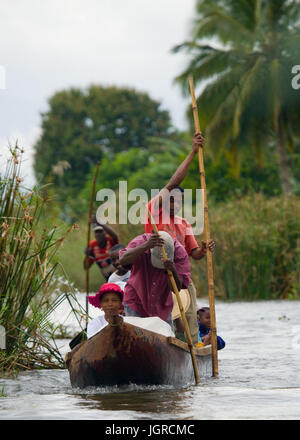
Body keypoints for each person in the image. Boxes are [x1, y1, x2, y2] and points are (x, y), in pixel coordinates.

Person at [145, 132, 215, 345]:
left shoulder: (184, 223)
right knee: (164, 320)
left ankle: (193, 346)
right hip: (159, 275)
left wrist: (204, 250)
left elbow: (194, 254)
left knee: (189, 320)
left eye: (179, 201)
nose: (175, 204)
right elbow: (173, 181)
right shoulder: (154, 212)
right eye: (172, 199)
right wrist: (193, 152)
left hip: (182, 278)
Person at [118, 231, 191, 329]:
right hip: (135, 301)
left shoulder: (180, 253)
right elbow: (122, 260)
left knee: (165, 338)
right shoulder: (141, 241)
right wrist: (146, 246)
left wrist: (173, 271)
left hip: (162, 306)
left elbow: (176, 289)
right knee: (137, 338)